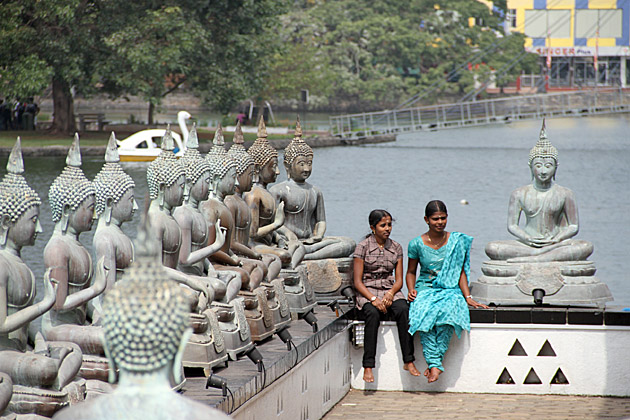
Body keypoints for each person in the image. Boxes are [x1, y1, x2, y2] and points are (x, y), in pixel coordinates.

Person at [407, 200, 487, 383]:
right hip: (425, 287)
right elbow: (411, 272)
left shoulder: (455, 241)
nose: (440, 222)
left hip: (450, 288)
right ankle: (434, 364)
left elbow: (459, 273)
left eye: (443, 218)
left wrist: (468, 297)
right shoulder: (416, 244)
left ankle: (435, 363)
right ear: (426, 219)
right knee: (422, 313)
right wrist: (411, 290)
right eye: (435, 219)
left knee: (451, 310)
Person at [353, 209, 420, 383]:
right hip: (367, 290)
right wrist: (373, 299)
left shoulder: (396, 247)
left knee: (404, 309)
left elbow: (399, 280)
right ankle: (368, 365)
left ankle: (409, 360)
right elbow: (357, 281)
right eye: (383, 225)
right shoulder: (363, 247)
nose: (387, 228)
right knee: (372, 314)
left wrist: (391, 294)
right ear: (373, 227)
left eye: (389, 224)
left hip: (390, 289)